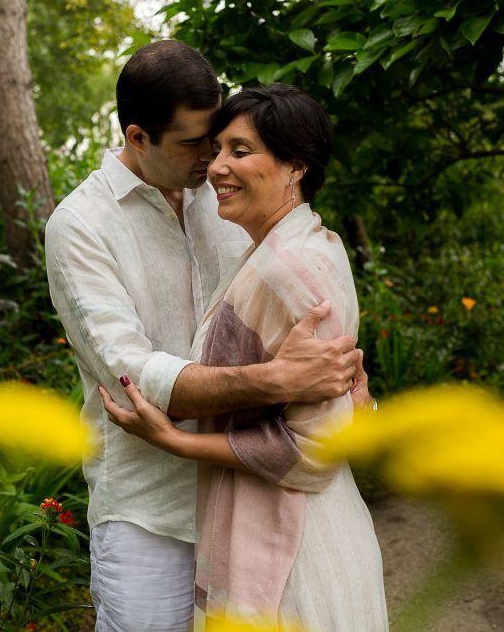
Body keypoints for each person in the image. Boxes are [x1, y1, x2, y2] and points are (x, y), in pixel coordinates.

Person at [44, 42, 365, 632]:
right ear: (138, 138)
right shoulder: (81, 226)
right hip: (153, 514)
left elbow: (294, 301)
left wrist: (341, 376)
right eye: (196, 143)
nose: (212, 158)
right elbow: (130, 374)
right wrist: (276, 380)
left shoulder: (227, 198)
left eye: (220, 139)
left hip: (255, 500)